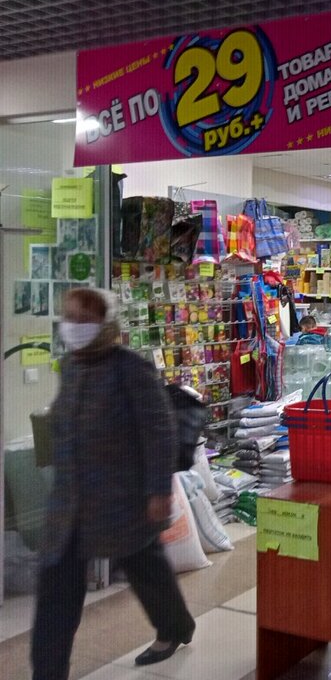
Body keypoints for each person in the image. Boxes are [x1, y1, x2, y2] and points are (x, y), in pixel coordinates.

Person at [32, 288, 195, 680]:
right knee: (56, 592)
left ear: (104, 323)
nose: (74, 326)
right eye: (69, 317)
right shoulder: (70, 366)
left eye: (84, 319)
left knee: (146, 568)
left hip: (123, 500)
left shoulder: (130, 369)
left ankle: (174, 626)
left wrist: (158, 490)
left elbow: (159, 431)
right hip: (69, 504)